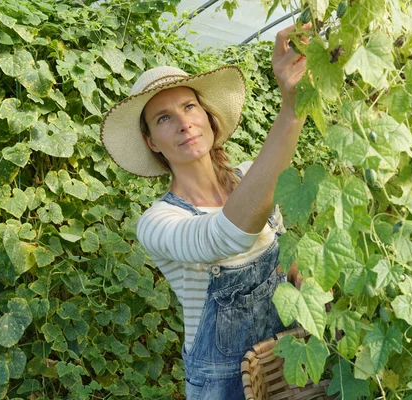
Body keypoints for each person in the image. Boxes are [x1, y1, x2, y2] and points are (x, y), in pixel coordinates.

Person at [100, 24, 308, 399]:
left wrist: (322, 313)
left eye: (189, 106)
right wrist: (291, 109)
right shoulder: (158, 222)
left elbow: (288, 264)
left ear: (208, 116)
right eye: (164, 118)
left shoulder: (248, 175)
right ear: (152, 142)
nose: (183, 123)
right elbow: (228, 234)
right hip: (223, 383)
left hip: (287, 362)